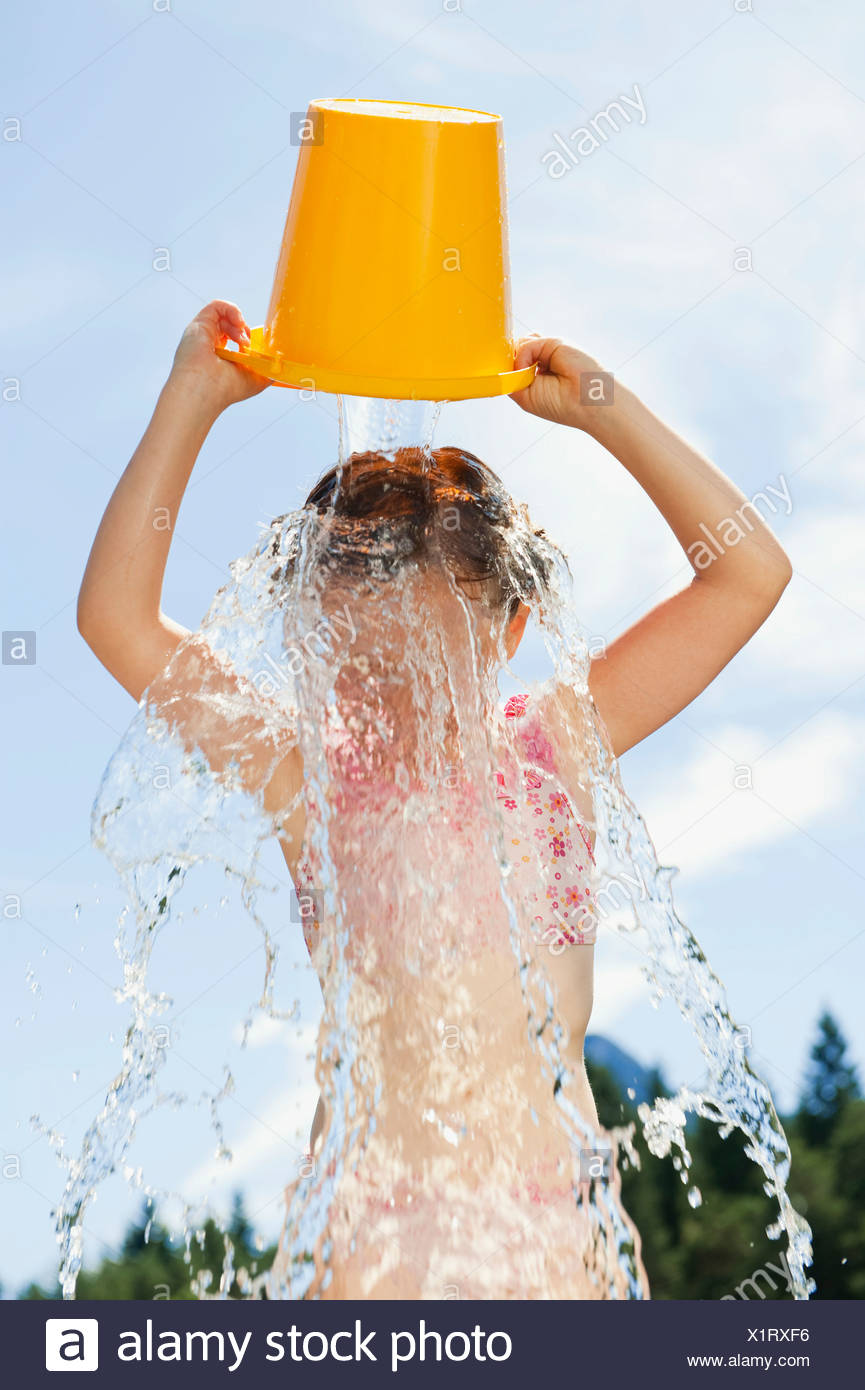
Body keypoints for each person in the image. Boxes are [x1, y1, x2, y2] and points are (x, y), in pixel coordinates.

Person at [77, 300, 792, 1298]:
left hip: (549, 1235)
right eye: (348, 663)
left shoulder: (554, 748)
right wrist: (191, 397)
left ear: (506, 632)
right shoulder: (309, 780)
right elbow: (116, 620)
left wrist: (600, 405)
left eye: (414, 663)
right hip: (366, 1240)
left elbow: (746, 576)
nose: (378, 695)